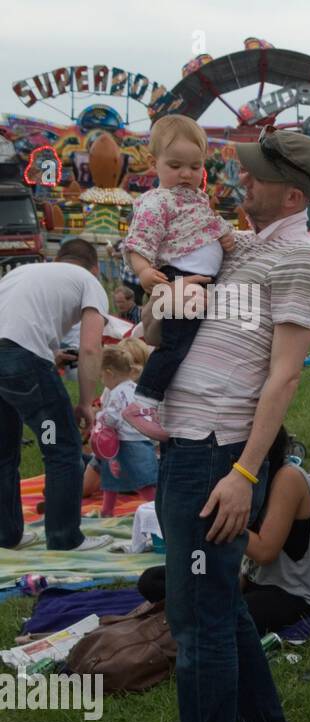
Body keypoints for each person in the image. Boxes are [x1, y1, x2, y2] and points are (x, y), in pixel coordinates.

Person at [140, 129, 310, 722]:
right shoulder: (244, 247)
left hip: (215, 451)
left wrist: (246, 472)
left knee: (197, 622)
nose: (238, 182)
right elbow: (170, 315)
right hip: (191, 441)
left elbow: (283, 376)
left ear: (288, 194)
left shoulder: (301, 259)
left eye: (252, 176)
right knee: (215, 601)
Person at [137, 427, 310, 634]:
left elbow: (266, 552)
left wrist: (223, 520)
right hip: (248, 582)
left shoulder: (287, 477)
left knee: (226, 617)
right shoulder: (247, 480)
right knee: (153, 581)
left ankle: (188, 620)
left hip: (293, 595)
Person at [121, 115, 238, 442]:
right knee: (176, 346)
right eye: (175, 165)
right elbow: (139, 241)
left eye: (195, 167)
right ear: (152, 162)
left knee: (184, 336)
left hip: (197, 280)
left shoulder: (196, 199)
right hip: (179, 278)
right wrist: (144, 270)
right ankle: (142, 402)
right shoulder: (157, 201)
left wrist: (225, 235)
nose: (186, 174)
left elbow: (207, 224)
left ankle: (151, 324)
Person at [0, 240, 112, 552]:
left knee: (3, 451)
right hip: (23, 359)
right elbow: (91, 347)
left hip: (11, 357)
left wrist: (48, 356)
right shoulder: (89, 282)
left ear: (58, 258)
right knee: (62, 446)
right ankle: (65, 537)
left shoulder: (24, 272)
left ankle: (6, 534)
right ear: (95, 267)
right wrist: (86, 403)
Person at [91, 343, 156, 518]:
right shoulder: (136, 389)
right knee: (116, 479)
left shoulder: (116, 392)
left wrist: (100, 418)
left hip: (126, 443)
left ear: (109, 373)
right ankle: (106, 510)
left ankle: (156, 509)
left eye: (102, 376)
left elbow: (113, 417)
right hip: (140, 439)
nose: (102, 381)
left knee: (142, 481)